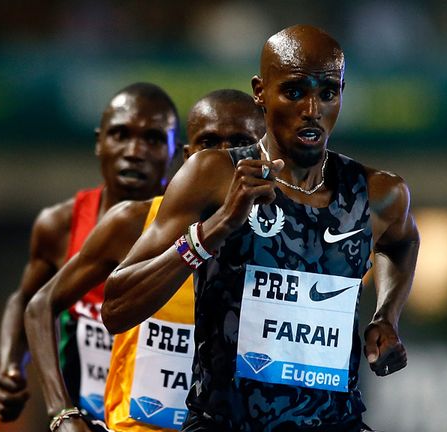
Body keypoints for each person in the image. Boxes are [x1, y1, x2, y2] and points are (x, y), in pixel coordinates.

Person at [103, 25, 420, 431]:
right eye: (294, 91)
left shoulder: (378, 192)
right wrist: (215, 228)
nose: (312, 109)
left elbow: (403, 242)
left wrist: (386, 316)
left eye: (328, 92)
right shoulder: (213, 175)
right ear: (260, 92)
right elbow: (116, 307)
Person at [23, 89, 265, 432]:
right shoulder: (134, 223)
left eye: (240, 143)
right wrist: (63, 414)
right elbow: (40, 306)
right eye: (209, 144)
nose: (222, 158)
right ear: (187, 155)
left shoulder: (287, 240)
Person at [0, 82, 180, 430]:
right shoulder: (60, 226)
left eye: (153, 138)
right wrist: (10, 366)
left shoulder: (195, 231)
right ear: (98, 141)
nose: (134, 150)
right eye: (120, 134)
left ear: (175, 151)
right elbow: (27, 300)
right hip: (82, 418)